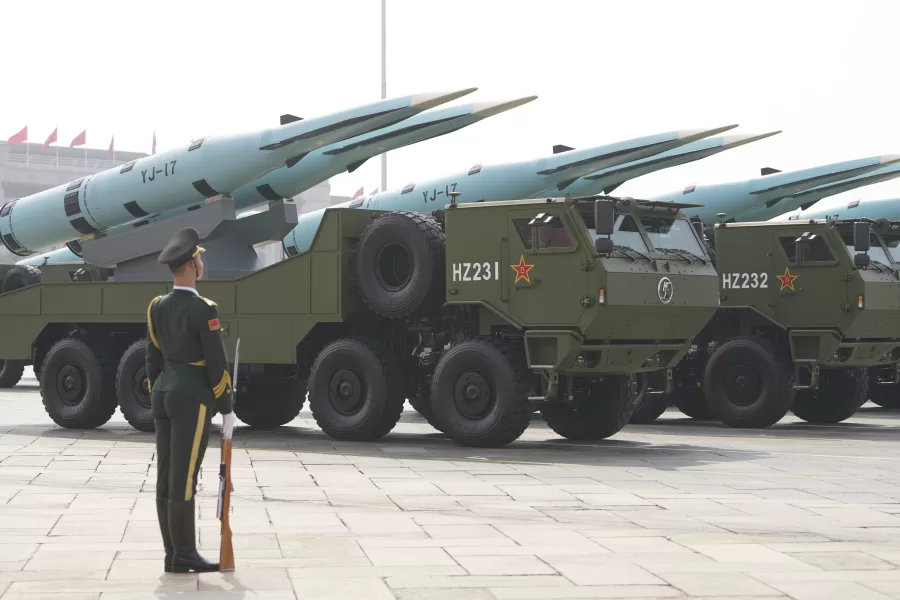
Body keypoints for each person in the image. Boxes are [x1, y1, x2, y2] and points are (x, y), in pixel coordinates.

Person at [145, 227, 236, 573]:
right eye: (199, 258)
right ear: (190, 267)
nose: (202, 262)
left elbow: (152, 357)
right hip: (191, 398)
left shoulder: (157, 307)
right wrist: (226, 407)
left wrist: (158, 388)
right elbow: (216, 363)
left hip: (163, 394)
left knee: (167, 475)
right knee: (184, 476)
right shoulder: (203, 309)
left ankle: (172, 552)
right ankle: (183, 554)